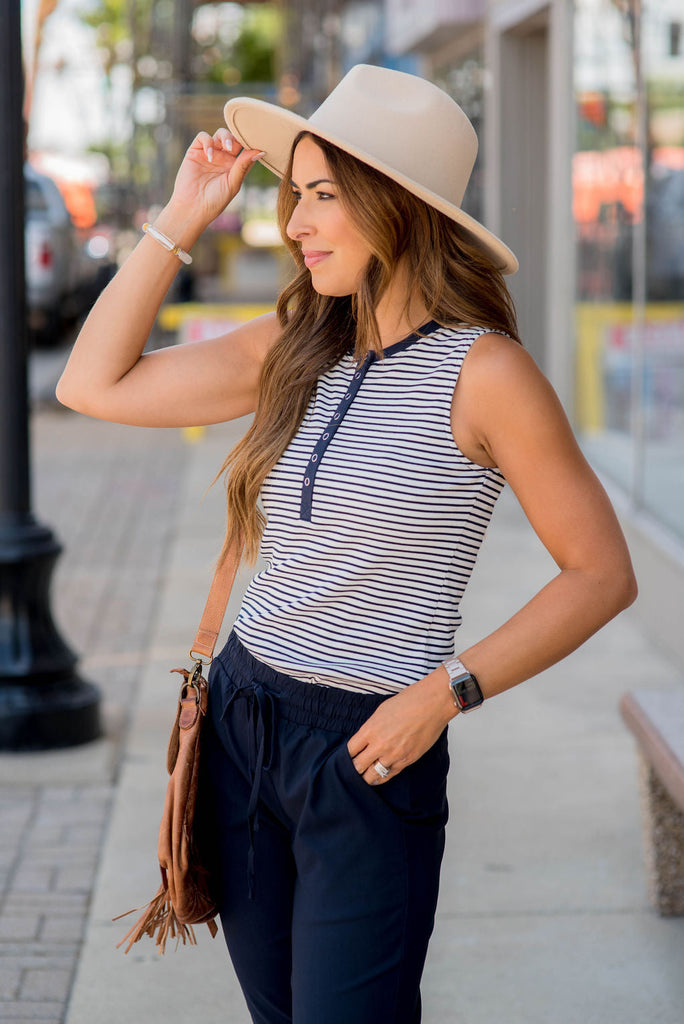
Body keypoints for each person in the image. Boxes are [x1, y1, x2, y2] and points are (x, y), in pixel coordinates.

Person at [57, 64, 637, 1024]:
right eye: (297, 194)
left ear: (396, 205)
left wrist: (445, 694)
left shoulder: (486, 375)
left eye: (323, 196)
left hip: (369, 753)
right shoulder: (296, 340)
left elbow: (601, 573)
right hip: (244, 725)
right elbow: (92, 385)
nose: (295, 223)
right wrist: (180, 218)